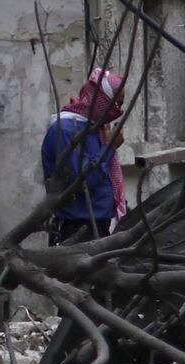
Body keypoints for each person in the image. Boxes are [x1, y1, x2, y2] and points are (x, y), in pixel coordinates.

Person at [40, 68, 127, 244]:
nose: (120, 111)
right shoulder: (65, 129)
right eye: (117, 104)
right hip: (78, 227)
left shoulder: (92, 128)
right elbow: (84, 180)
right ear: (103, 101)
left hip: (97, 222)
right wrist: (109, 147)